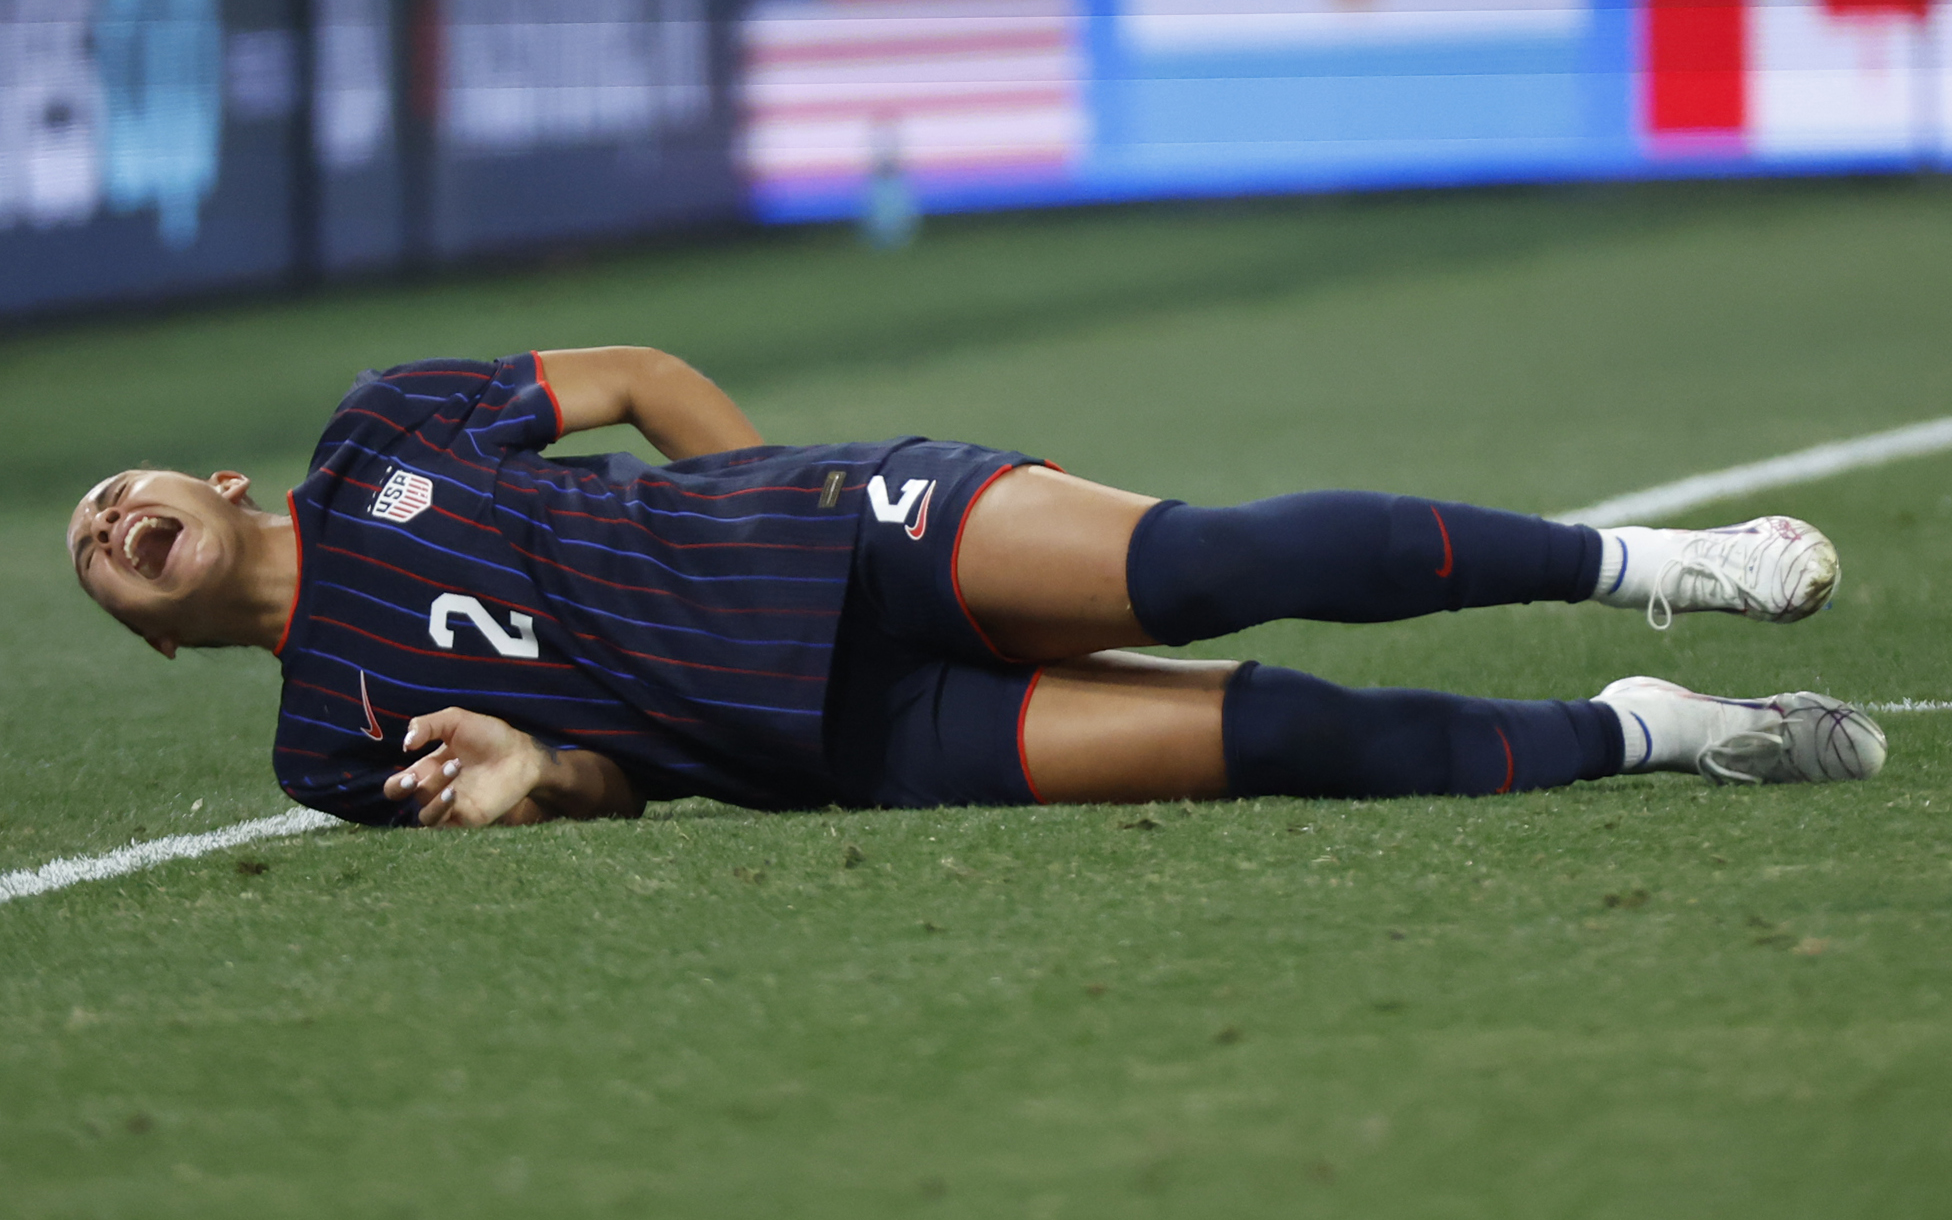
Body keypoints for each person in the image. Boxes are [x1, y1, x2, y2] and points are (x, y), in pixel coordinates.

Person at [67, 346, 1886, 829]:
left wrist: (729, 514)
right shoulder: (328, 744)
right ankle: (1664, 734)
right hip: (831, 735)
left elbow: (626, 368)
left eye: (115, 494)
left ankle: (1665, 566)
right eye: (89, 556)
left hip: (845, 530)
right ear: (152, 633)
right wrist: (550, 782)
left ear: (209, 488)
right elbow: (611, 777)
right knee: (1285, 739)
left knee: (1209, 560)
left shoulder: (382, 426)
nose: (107, 521)